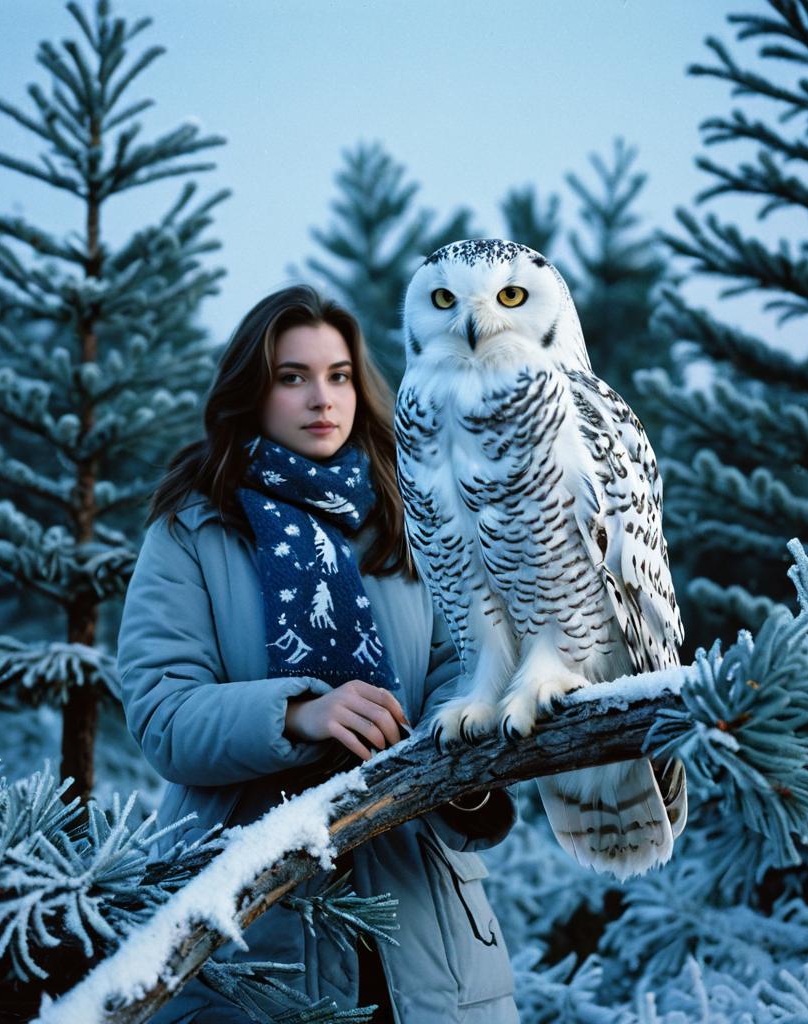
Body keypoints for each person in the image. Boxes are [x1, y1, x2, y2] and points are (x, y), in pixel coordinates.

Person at [116, 285, 519, 1023]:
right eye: (291, 376)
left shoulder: (414, 510)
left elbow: (460, 666)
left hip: (427, 935)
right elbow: (162, 714)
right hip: (252, 938)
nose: (320, 398)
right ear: (252, 391)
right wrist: (299, 713)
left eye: (337, 376)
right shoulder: (193, 530)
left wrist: (457, 763)